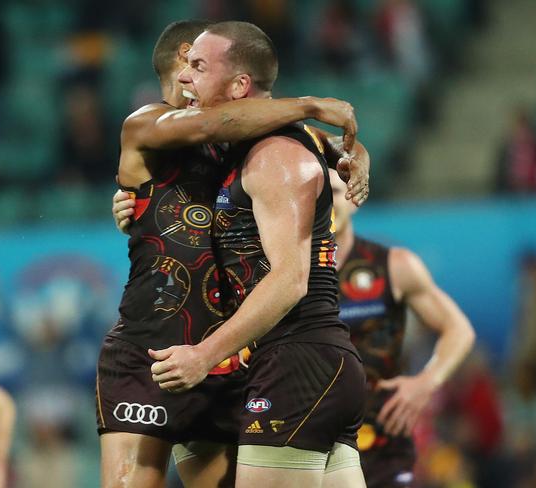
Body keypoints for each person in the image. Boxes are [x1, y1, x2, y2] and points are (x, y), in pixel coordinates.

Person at [98, 19, 370, 488]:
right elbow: (214, 120)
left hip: (225, 350)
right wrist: (311, 105)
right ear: (183, 57)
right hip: (151, 346)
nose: (191, 78)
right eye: (195, 64)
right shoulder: (149, 122)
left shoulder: (245, 142)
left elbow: (288, 136)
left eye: (203, 67)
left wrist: (350, 150)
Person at [328, 172, 475, 487]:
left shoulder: (393, 266)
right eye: (317, 194)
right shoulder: (283, 271)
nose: (326, 203)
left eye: (336, 192)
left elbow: (459, 329)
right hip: (311, 442)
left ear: (354, 198)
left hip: (382, 440)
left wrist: (426, 382)